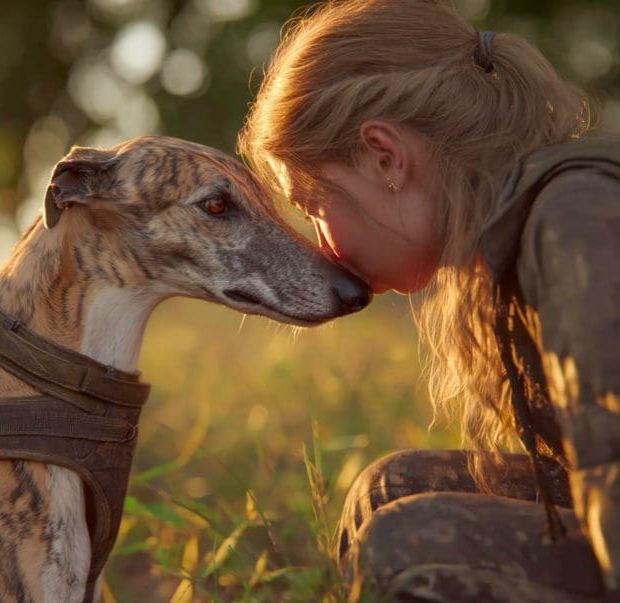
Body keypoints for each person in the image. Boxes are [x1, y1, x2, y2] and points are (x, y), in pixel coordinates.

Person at [238, 0, 620, 601]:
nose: (325, 248)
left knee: (412, 544)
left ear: (386, 157)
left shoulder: (577, 222)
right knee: (388, 490)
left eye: (315, 208)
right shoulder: (521, 224)